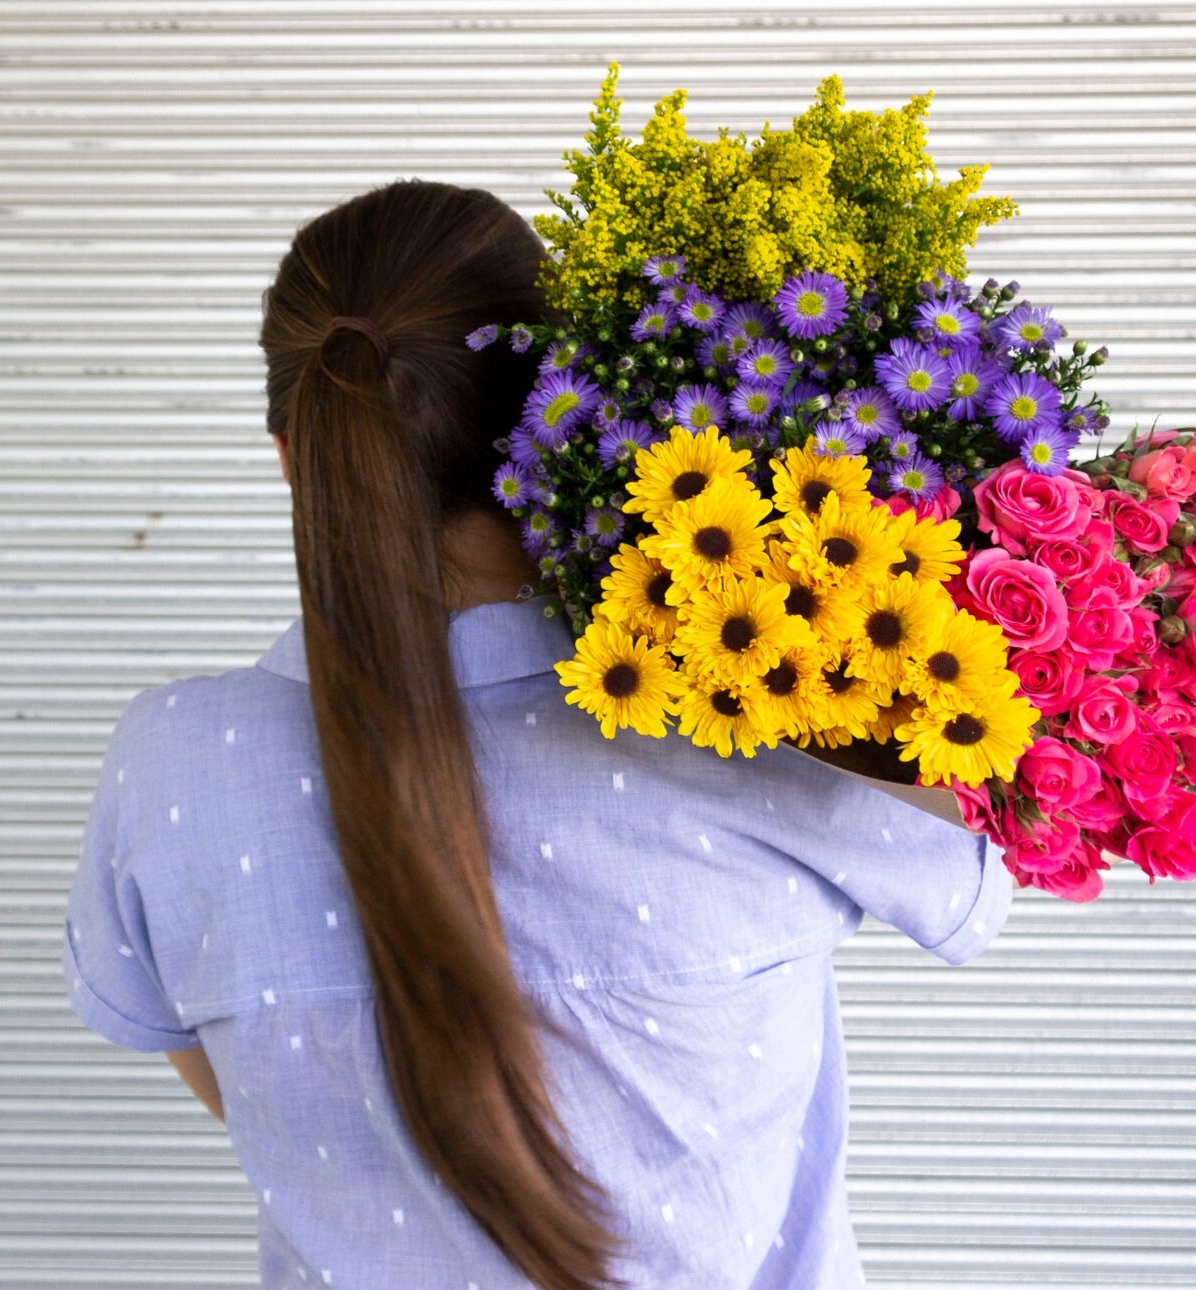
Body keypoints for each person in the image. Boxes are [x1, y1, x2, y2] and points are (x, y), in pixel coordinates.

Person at [62, 178, 1013, 1290]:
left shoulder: (171, 763)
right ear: (567, 414)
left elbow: (199, 1052)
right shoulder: (742, 719)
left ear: (293, 456)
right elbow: (981, 867)